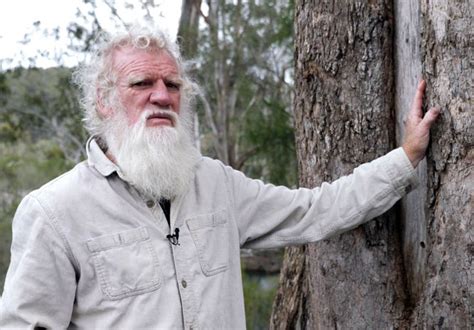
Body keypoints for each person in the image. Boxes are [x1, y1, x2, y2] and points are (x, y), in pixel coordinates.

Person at [0, 25, 439, 329]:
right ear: (102, 99)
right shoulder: (53, 212)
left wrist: (405, 158)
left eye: (173, 85)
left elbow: (315, 209)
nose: (161, 96)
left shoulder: (215, 184)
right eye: (141, 84)